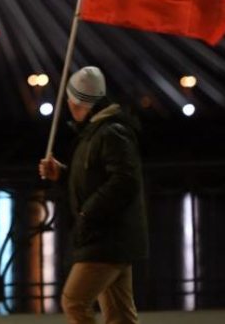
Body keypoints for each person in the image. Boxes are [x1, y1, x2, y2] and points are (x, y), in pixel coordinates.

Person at [39, 66, 148, 324]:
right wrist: (61, 174)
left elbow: (124, 181)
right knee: (120, 315)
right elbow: (96, 178)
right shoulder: (98, 131)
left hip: (106, 238)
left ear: (76, 102)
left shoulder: (110, 132)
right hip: (112, 237)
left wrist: (89, 211)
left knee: (74, 301)